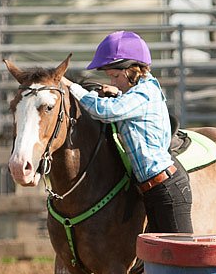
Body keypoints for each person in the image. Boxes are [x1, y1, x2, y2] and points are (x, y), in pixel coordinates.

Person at [61, 30, 193, 233]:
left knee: (180, 255)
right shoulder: (139, 91)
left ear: (131, 70)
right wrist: (116, 93)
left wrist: (73, 87)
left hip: (166, 189)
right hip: (155, 189)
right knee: (156, 257)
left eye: (115, 76)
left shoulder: (144, 93)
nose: (112, 82)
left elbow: (105, 111)